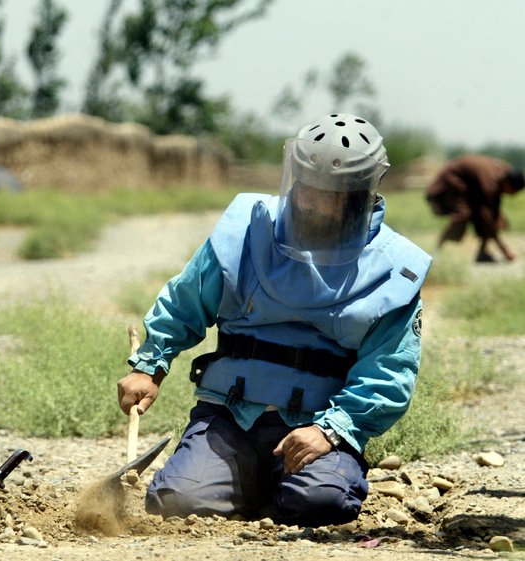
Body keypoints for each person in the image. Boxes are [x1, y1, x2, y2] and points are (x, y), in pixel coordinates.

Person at [117, 114, 432, 528]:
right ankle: (238, 480)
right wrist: (150, 365)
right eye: (306, 186)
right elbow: (185, 300)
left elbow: (388, 373)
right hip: (229, 415)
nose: (311, 202)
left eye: (329, 193)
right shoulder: (245, 230)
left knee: (320, 504)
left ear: (359, 195)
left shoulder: (394, 270)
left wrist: (332, 431)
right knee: (179, 500)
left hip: (316, 429)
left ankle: (284, 485)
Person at [425, 154, 524, 262]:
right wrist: (504, 250)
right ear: (507, 185)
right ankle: (438, 249)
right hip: (451, 182)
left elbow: (493, 210)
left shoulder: (501, 173)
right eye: (512, 192)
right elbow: (486, 216)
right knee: (463, 214)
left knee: (494, 217)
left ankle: (482, 253)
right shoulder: (490, 183)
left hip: (469, 186)